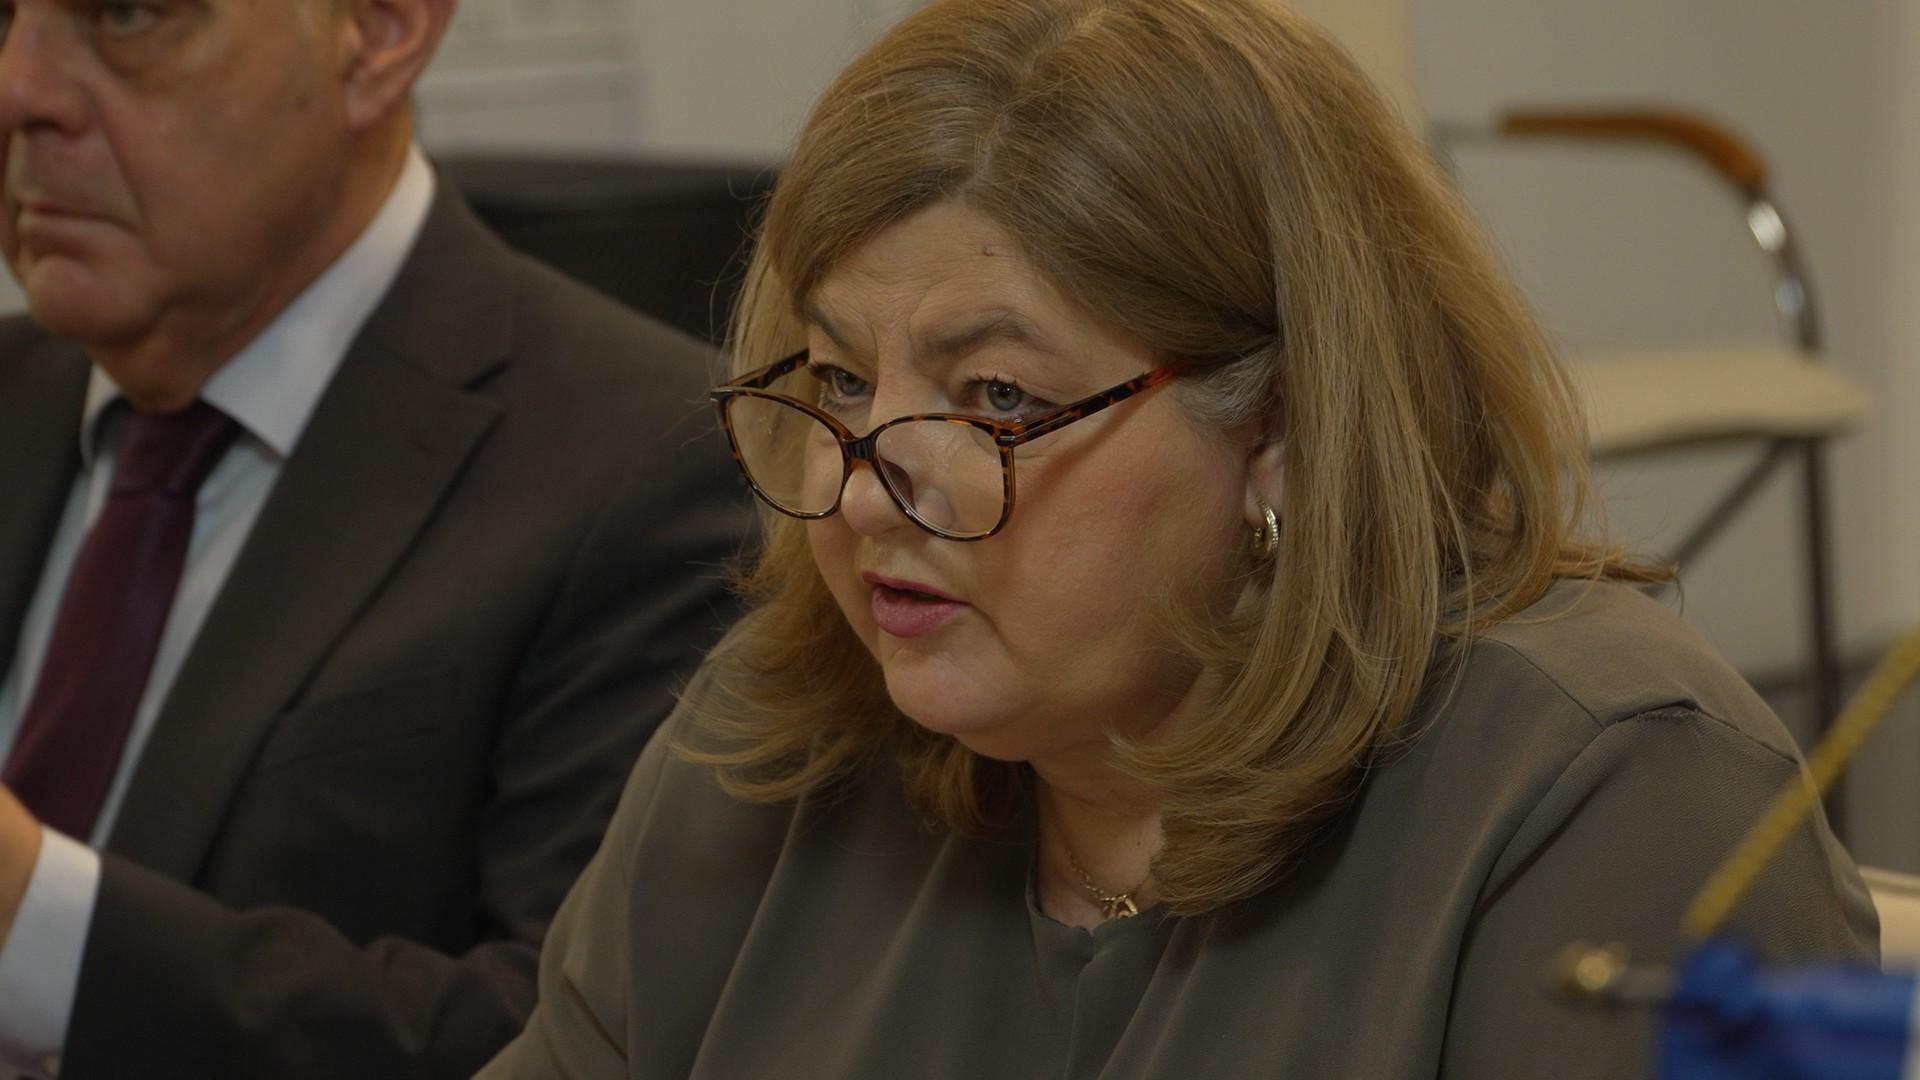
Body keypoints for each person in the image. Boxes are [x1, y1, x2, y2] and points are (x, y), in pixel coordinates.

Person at [482, 0, 1874, 1076]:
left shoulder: (1606, 790)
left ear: (1278, 428)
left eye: (998, 398)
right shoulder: (773, 737)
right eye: (842, 382)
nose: (859, 496)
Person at [0, 0, 750, 1076]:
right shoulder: (21, 392)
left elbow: (571, 1033)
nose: (19, 89)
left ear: (381, 31)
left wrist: (30, 921)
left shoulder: (655, 470)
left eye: (127, 13)